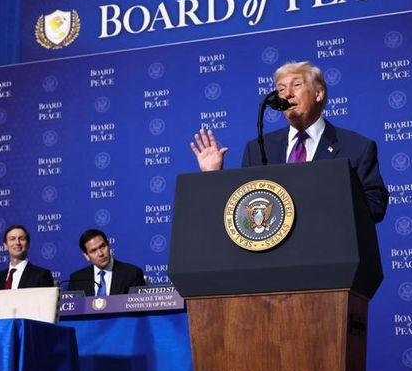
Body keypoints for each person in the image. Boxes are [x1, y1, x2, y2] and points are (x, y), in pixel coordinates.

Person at [191, 60, 389, 223]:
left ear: (319, 93)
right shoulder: (258, 149)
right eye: (281, 89)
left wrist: (325, 212)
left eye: (297, 84)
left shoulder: (356, 147)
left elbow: (375, 205)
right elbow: (245, 210)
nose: (287, 94)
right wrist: (212, 177)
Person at [67, 229, 145, 297]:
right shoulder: (76, 279)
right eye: (93, 251)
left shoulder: (132, 274)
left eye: (102, 246)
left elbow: (137, 308)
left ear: (109, 246)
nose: (100, 253)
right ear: (86, 256)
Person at [0, 225, 54, 290]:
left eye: (22, 239)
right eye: (12, 239)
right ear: (5, 245)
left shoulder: (41, 275)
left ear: (28, 244)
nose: (17, 242)